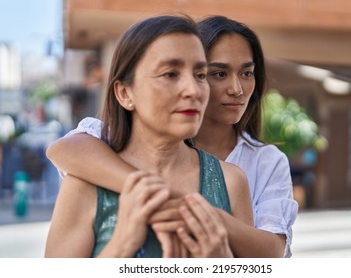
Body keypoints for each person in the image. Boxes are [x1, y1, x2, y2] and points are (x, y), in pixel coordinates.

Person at [47, 15, 298, 257]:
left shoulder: (233, 180)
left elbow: (268, 257)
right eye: (170, 74)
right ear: (125, 93)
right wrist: (122, 245)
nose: (193, 89)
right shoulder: (87, 179)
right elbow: (65, 149)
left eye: (199, 75)